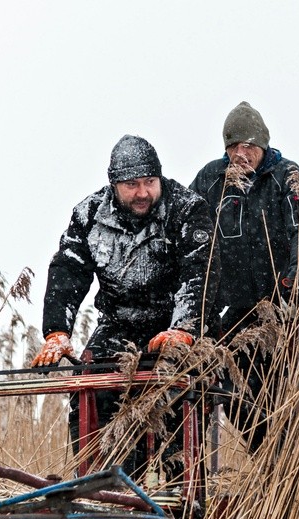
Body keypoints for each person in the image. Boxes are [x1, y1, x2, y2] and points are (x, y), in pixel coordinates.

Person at [30, 134, 220, 481]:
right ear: (114, 184)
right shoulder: (89, 215)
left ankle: (178, 490)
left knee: (177, 399)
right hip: (119, 324)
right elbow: (68, 269)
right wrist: (57, 330)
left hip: (175, 325)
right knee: (89, 388)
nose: (143, 192)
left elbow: (201, 273)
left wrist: (184, 328)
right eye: (132, 185)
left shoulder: (187, 209)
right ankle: (99, 485)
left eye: (150, 182)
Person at [190, 101, 299, 450]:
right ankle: (263, 450)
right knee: (232, 389)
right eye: (233, 146)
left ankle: (287, 461)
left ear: (263, 145)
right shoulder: (210, 180)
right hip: (236, 311)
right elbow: (190, 235)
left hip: (283, 307)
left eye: (248, 145)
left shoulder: (286, 178)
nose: (240, 154)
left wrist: (294, 288)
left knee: (285, 394)